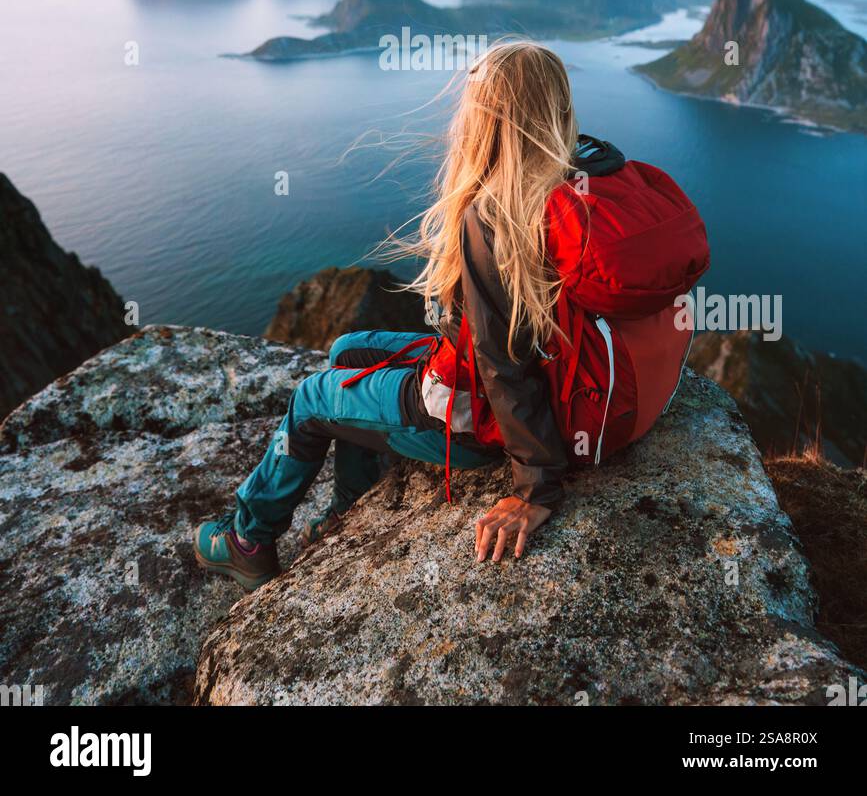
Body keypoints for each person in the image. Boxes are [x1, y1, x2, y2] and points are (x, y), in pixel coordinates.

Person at [194, 40, 684, 590]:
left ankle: (248, 539)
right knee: (345, 351)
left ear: (486, 119)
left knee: (311, 399)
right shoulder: (597, 174)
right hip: (570, 391)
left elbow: (503, 364)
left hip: (475, 419)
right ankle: (347, 510)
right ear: (558, 105)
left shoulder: (495, 214)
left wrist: (536, 489)